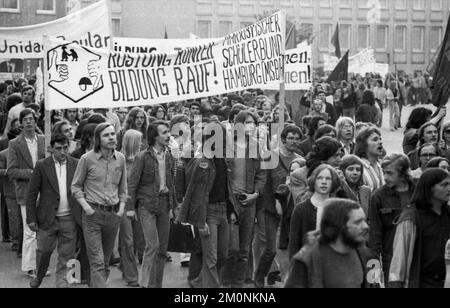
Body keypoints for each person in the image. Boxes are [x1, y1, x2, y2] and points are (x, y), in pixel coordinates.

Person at [179, 122, 238, 288]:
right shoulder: (202, 161)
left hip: (223, 210)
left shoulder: (222, 159)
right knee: (211, 259)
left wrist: (231, 210)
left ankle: (198, 282)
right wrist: (201, 220)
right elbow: (198, 194)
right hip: (209, 213)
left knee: (222, 256)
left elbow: (226, 187)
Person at [72, 123, 128, 288]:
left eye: (112, 134)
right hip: (92, 215)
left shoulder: (121, 158)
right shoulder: (86, 159)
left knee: (104, 263)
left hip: (113, 215)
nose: (111, 137)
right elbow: (75, 186)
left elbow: (123, 188)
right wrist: (86, 207)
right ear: (98, 139)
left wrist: (121, 209)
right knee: (96, 262)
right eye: (106, 135)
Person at [127, 121, 176, 288]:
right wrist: (129, 209)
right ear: (155, 136)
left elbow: (171, 182)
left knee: (162, 250)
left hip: (164, 204)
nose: (168, 135)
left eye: (168, 132)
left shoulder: (169, 155)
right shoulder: (142, 157)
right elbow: (132, 184)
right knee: (152, 246)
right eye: (164, 132)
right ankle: (146, 284)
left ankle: (157, 285)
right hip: (146, 205)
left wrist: (173, 206)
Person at [26, 134, 80, 288]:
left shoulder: (76, 164)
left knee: (67, 255)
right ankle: (40, 275)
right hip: (47, 218)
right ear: (51, 149)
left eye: (65, 148)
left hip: (69, 218)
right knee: (44, 251)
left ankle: (64, 284)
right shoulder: (42, 165)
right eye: (58, 148)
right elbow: (31, 194)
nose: (62, 152)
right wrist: (31, 218)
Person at [285, 199, 373, 288]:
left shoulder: (363, 253)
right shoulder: (307, 259)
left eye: (364, 221)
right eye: (357, 222)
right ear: (339, 226)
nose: (365, 226)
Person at [222, 110, 266, 288]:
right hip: (230, 203)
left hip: (249, 203)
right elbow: (221, 177)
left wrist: (255, 194)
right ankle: (225, 283)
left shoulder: (256, 146)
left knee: (244, 250)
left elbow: (262, 175)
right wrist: (229, 204)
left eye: (254, 123)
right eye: (248, 122)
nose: (252, 126)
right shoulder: (226, 146)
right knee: (231, 249)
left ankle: (238, 285)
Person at [254, 125, 302, 288]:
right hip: (271, 209)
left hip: (292, 210)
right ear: (283, 139)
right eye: (290, 138)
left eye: (297, 138)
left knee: (290, 248)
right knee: (270, 249)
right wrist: (271, 203)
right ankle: (259, 277)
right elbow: (263, 183)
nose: (294, 141)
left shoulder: (301, 159)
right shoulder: (270, 157)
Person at [389, 169, 450, 288]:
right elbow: (399, 260)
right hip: (423, 283)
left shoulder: (447, 213)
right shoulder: (410, 219)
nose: (449, 188)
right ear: (429, 188)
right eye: (444, 185)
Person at [7, 109, 46, 278]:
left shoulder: (44, 140)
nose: (29, 122)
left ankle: (41, 264)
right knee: (30, 230)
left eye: (31, 119)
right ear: (21, 123)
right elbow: (11, 171)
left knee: (44, 229)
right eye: (26, 120)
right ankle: (30, 266)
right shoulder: (14, 144)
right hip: (26, 192)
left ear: (36, 122)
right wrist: (32, 173)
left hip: (45, 191)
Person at [369, 154, 415, 285]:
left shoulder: (419, 192)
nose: (385, 177)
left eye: (390, 173)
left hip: (418, 257)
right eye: (384, 173)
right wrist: (372, 276)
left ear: (403, 172)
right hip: (392, 259)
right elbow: (374, 236)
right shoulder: (378, 196)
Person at [288, 164, 340, 259]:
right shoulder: (301, 209)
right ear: (313, 181)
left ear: (333, 182)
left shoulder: (339, 209)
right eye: (320, 178)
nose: (324, 182)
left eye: (328, 179)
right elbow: (294, 245)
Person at [119, 129, 144, 288]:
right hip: (124, 204)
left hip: (140, 204)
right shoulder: (119, 159)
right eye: (139, 141)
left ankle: (124, 266)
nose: (141, 144)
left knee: (137, 240)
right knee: (127, 241)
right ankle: (131, 276)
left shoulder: (142, 159)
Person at [354, 126, 385, 192]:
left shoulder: (380, 165)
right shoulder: (359, 167)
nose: (380, 142)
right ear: (364, 144)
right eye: (375, 139)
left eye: (380, 139)